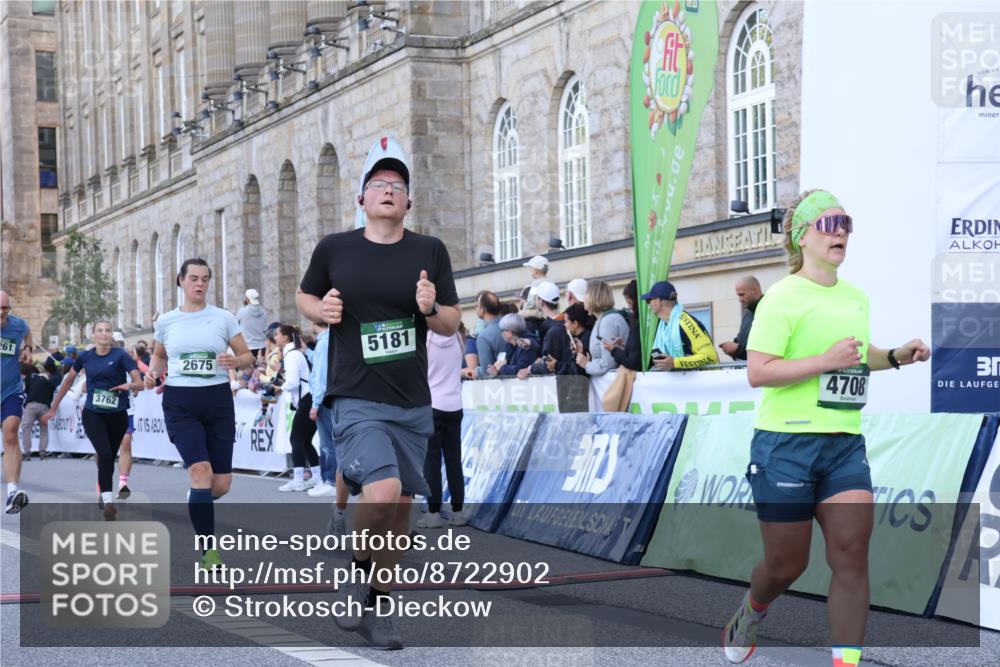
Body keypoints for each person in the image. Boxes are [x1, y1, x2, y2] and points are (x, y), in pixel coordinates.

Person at [722, 191, 931, 667]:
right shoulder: (781, 297)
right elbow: (759, 371)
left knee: (852, 555)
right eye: (829, 223)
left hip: (843, 443)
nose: (840, 232)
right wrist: (823, 362)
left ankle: (845, 663)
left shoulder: (854, 297)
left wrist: (896, 355)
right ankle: (752, 612)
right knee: (785, 566)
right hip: (784, 444)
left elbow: (856, 357)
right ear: (802, 236)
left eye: (846, 223)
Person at [297, 135, 460, 649]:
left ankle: (373, 603)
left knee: (399, 516)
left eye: (398, 185)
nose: (388, 190)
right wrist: (318, 311)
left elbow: (450, 326)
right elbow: (305, 294)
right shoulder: (335, 248)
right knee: (385, 495)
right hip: (355, 395)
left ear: (409, 201)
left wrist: (431, 307)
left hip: (412, 402)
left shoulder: (429, 251)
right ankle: (364, 579)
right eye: (378, 184)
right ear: (362, 199)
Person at [145, 258, 255, 569]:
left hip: (217, 401)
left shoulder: (223, 318)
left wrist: (236, 362)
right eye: (193, 278)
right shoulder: (166, 321)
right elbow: (159, 355)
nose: (200, 284)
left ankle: (199, 498)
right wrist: (154, 374)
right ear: (180, 281)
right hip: (180, 402)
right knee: (200, 471)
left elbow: (247, 356)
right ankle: (209, 553)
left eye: (205, 279)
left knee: (219, 485)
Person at [46, 321, 143, 519]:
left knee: (108, 457)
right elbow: (68, 382)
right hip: (93, 414)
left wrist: (130, 385)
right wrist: (54, 407)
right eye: (100, 330)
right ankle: (108, 501)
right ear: (94, 335)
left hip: (118, 415)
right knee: (105, 454)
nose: (104, 334)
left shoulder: (121, 356)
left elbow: (140, 383)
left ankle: (106, 492)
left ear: (112, 336)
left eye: (108, 330)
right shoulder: (85, 357)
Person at [418, 329, 465, 528]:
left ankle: (433, 513)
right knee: (454, 460)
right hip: (455, 403)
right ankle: (458, 512)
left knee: (432, 461)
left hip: (432, 403)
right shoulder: (458, 337)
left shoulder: (425, 338)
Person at [274, 325, 322, 492]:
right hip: (308, 398)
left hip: (307, 399)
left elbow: (293, 382)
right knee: (305, 440)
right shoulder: (294, 353)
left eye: (277, 334)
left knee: (296, 439)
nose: (275, 337)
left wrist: (280, 387)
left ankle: (299, 480)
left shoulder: (291, 355)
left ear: (286, 337)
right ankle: (316, 477)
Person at [1, 290, 33, 513]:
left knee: (11, 430)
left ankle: (12, 491)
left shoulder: (17, 325)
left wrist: (28, 348)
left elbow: (28, 332)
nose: (2, 313)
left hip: (11, 390)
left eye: (5, 308)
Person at [642, 280, 719, 370]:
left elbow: (710, 356)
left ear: (658, 301)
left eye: (648, 301)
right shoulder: (664, 325)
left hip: (705, 381)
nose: (649, 305)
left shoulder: (685, 322)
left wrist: (675, 362)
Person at [575, 280, 629, 377]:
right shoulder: (603, 319)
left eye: (586, 293)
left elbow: (608, 364)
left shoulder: (608, 321)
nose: (583, 299)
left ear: (594, 297)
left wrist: (586, 365)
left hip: (611, 384)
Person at [521, 281, 574, 377]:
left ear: (540, 301)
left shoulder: (553, 329)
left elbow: (548, 363)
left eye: (536, 298)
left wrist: (530, 369)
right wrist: (532, 344)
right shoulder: (565, 322)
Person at [21, 359, 58, 460]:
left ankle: (27, 452)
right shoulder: (47, 380)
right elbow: (52, 392)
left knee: (26, 429)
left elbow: (25, 391)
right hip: (44, 407)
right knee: (44, 430)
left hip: (31, 405)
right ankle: (43, 452)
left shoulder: (29, 378)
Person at [720, 276, 764, 362]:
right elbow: (742, 339)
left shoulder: (768, 311)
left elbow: (766, 347)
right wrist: (734, 346)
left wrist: (738, 349)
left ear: (755, 291)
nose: (740, 300)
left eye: (742, 295)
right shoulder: (748, 313)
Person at [607, 279, 643, 371]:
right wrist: (625, 345)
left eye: (630, 303)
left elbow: (632, 362)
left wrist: (613, 350)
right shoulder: (640, 322)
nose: (629, 307)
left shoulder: (638, 325)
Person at [466, 290, 503, 380]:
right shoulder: (509, 326)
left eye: (477, 306)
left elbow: (486, 371)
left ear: (483, 310)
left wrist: (472, 371)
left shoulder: (484, 336)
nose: (476, 309)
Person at [236, 289, 270, 359]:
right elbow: (265, 329)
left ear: (247, 299)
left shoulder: (242, 312)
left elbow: (235, 326)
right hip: (262, 347)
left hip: (248, 347)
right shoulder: (264, 312)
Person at [563, 303, 595, 373]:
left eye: (566, 321)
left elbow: (577, 368)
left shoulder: (586, 340)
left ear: (575, 323)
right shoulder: (581, 338)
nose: (564, 325)